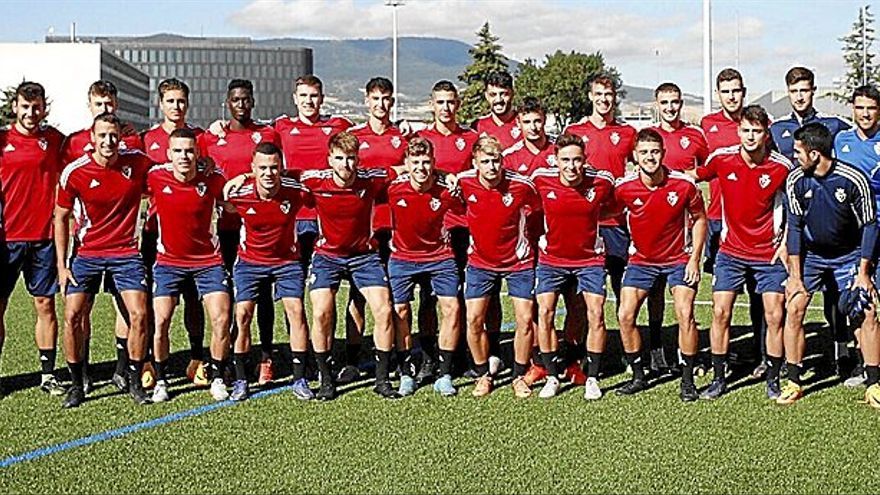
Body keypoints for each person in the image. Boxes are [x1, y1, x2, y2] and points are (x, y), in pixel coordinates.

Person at [690, 105, 791, 400]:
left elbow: (797, 209)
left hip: (768, 254)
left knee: (774, 315)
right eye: (746, 130)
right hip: (731, 251)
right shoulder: (721, 159)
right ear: (738, 131)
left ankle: (772, 378)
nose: (750, 136)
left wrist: (785, 244)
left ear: (765, 133)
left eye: (756, 131)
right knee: (720, 313)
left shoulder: (781, 166)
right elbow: (691, 176)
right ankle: (719, 379)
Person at [54, 113, 153, 408]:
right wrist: (62, 266)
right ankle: (77, 383)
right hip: (86, 254)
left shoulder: (137, 162)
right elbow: (60, 216)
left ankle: (134, 382)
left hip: (126, 253)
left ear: (120, 138)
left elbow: (173, 168)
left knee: (139, 314)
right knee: (72, 315)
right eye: (103, 136)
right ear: (92, 138)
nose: (109, 141)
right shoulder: (75, 172)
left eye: (113, 135)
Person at [783, 122, 880, 407]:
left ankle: (874, 383)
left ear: (815, 154)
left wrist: (864, 273)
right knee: (795, 307)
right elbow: (795, 227)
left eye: (798, 151)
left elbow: (870, 226)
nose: (795, 156)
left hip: (849, 256)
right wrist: (795, 276)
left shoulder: (853, 179)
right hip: (813, 257)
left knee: (867, 312)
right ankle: (793, 381)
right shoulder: (795, 180)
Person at [300, 132, 398, 400]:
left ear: (358, 159)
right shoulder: (314, 181)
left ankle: (382, 379)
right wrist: (244, 178)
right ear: (330, 159)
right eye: (340, 158)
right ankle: (327, 379)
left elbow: (403, 168)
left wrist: (443, 174)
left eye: (352, 158)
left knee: (384, 310)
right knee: (321, 312)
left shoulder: (370, 179)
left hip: (364, 256)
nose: (346, 164)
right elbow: (280, 174)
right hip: (326, 256)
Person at [770, 67, 853, 379]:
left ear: (813, 90)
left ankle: (843, 353)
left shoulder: (833, 125)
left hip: (829, 221)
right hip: (791, 222)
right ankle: (776, 359)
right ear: (787, 93)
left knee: (836, 294)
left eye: (805, 90)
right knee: (784, 293)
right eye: (794, 91)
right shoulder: (777, 129)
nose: (800, 96)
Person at [614, 129, 707, 402]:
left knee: (685, 312)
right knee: (625, 314)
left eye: (654, 151)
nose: (649, 157)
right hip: (642, 260)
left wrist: (694, 258)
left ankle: (688, 380)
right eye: (643, 152)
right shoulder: (623, 187)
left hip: (679, 258)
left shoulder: (683, 184)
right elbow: (610, 216)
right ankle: (639, 376)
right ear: (635, 156)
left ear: (663, 154)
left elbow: (700, 219)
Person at [200, 79, 280, 386]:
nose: (241, 104)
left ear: (253, 101)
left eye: (246, 99)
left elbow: (275, 168)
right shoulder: (211, 137)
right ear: (227, 102)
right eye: (236, 99)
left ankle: (266, 356)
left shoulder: (267, 134)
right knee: (231, 296)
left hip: (260, 226)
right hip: (223, 229)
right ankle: (233, 357)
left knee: (262, 294)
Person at [145, 128, 230, 402]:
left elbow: (234, 198)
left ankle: (217, 375)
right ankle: (161, 380)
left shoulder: (213, 179)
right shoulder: (155, 177)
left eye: (190, 150)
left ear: (198, 154)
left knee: (221, 318)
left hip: (208, 261)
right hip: (168, 262)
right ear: (169, 154)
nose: (184, 156)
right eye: (178, 151)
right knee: (161, 321)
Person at [530, 134, 614, 399]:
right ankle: (553, 375)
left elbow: (618, 200)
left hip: (589, 260)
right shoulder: (540, 180)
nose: (571, 166)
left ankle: (592, 377)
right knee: (545, 313)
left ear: (585, 160)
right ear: (556, 160)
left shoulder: (601, 182)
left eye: (577, 160)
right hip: (551, 260)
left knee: (596, 313)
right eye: (565, 160)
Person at [226, 143, 312, 401]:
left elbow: (313, 185)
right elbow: (224, 198)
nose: (268, 173)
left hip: (287, 261)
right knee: (242, 315)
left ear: (281, 167)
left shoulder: (294, 191)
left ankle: (300, 378)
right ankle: (241, 379)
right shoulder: (240, 193)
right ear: (253, 168)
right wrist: (243, 177)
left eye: (274, 167)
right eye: (262, 168)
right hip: (250, 262)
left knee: (296, 311)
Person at [458, 135, 540, 398]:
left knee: (525, 320)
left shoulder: (521, 185)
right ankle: (483, 374)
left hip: (518, 262)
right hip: (480, 262)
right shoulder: (463, 183)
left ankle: (518, 375)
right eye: (485, 161)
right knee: (473, 320)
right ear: (475, 163)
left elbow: (540, 206)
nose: (492, 167)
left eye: (496, 161)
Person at [141, 78, 209, 387]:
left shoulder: (201, 137)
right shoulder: (146, 139)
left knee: (194, 301)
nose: (176, 107)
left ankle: (197, 359)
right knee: (157, 304)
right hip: (156, 232)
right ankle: (148, 363)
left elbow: (210, 172)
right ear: (161, 104)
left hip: (194, 238)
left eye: (181, 101)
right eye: (170, 101)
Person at [0, 81, 66, 395]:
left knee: (45, 305)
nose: (31, 112)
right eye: (25, 106)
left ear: (44, 108)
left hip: (43, 238)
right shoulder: (2, 140)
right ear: (15, 107)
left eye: (36, 106)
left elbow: (86, 148)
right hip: (6, 239)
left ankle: (48, 375)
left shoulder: (54, 141)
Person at [700, 69, 767, 378]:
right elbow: (697, 169)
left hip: (754, 225)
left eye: (736, 90)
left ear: (744, 91)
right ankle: (721, 358)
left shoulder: (756, 124)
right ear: (718, 94)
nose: (731, 96)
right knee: (722, 297)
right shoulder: (707, 126)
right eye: (725, 91)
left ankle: (761, 353)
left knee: (757, 292)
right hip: (717, 220)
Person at [415, 80, 481, 383]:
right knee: (428, 297)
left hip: (466, 226)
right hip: (431, 228)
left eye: (451, 102)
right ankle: (428, 357)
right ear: (432, 104)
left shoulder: (471, 138)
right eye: (440, 102)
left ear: (458, 104)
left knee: (464, 296)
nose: (446, 108)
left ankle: (463, 355)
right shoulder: (420, 138)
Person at [386, 137, 463, 396]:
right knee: (400, 310)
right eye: (415, 162)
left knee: (451, 308)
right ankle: (406, 371)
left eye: (426, 162)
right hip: (402, 258)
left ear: (434, 163)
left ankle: (444, 373)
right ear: (406, 164)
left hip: (440, 257)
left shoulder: (447, 188)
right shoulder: (393, 187)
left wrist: (448, 175)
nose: (421, 167)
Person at [344, 77, 407, 384]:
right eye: (376, 98)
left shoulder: (403, 137)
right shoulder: (353, 137)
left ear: (392, 102)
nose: (381, 104)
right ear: (366, 100)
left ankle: (396, 354)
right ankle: (352, 359)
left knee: (395, 296)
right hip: (363, 227)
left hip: (397, 226)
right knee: (357, 296)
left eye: (387, 99)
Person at [645, 82, 709, 374]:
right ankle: (656, 348)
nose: (670, 107)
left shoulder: (695, 135)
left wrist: (690, 175)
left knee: (683, 298)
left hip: (683, 229)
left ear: (681, 103)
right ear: (656, 104)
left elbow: (710, 167)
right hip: (652, 229)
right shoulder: (646, 137)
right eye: (665, 102)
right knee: (654, 293)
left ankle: (688, 357)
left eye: (675, 102)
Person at [564, 74, 637, 303]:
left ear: (615, 98)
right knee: (579, 290)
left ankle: (624, 336)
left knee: (621, 286)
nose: (604, 100)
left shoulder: (627, 133)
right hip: (582, 220)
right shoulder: (574, 130)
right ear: (590, 97)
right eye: (599, 94)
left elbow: (641, 165)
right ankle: (578, 339)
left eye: (608, 95)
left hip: (615, 221)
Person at [833, 84, 880, 387]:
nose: (865, 113)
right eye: (860, 107)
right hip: (853, 234)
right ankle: (865, 365)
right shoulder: (841, 140)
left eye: (871, 108)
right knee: (859, 300)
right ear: (852, 108)